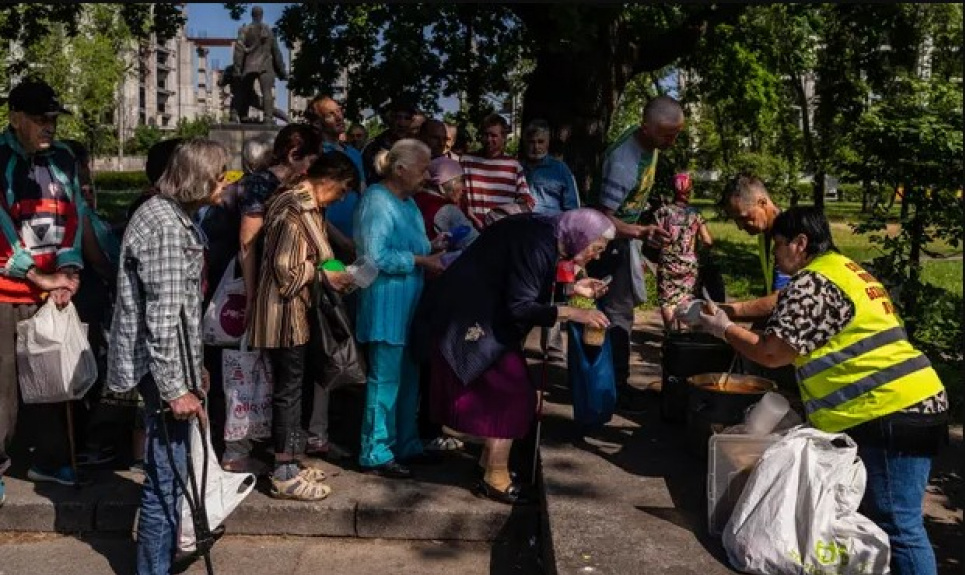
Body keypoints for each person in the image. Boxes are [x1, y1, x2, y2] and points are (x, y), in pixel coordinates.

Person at [691, 206, 948, 575]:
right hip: (911, 403)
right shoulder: (844, 271)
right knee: (884, 519)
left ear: (800, 242)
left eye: (779, 244)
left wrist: (723, 329)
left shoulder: (813, 282)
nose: (776, 253)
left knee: (899, 525)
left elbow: (771, 353)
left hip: (892, 411)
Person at [413, 208, 613, 503]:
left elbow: (525, 284)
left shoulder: (544, 233)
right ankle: (495, 477)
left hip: (480, 313)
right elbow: (520, 305)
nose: (596, 256)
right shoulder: (536, 242)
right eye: (596, 248)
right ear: (581, 236)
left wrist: (571, 289)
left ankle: (488, 464)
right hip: (471, 316)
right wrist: (574, 312)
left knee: (510, 393)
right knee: (513, 396)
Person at [106, 138, 229, 575]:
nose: (224, 185)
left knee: (169, 475)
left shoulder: (174, 216)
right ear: (199, 179)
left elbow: (181, 315)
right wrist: (177, 389)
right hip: (161, 371)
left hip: (173, 365)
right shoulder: (164, 224)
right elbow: (162, 320)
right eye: (220, 176)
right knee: (165, 480)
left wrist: (194, 371)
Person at [248, 153, 359, 499]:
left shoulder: (306, 207)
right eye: (342, 190)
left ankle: (292, 460)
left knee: (298, 386)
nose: (341, 198)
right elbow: (287, 272)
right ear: (329, 180)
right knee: (288, 390)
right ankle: (283, 470)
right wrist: (323, 272)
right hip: (282, 316)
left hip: (298, 314)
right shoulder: (292, 207)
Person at [0, 80, 85, 496]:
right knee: (4, 386)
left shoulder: (65, 158)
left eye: (52, 119)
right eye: (39, 119)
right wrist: (35, 275)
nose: (49, 126)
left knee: (55, 380)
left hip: (53, 290)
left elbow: (77, 215)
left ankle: (50, 460)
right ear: (15, 118)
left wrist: (69, 271)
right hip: (7, 290)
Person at [354, 139, 446, 478]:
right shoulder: (377, 201)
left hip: (411, 303)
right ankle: (376, 450)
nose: (428, 176)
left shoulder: (407, 204)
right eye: (423, 169)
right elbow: (373, 257)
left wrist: (435, 247)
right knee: (385, 380)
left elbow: (413, 245)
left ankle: (405, 443)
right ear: (400, 168)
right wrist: (422, 259)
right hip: (386, 303)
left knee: (410, 379)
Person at [587, 95, 681, 413]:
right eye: (667, 134)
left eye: (677, 133)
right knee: (615, 315)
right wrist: (640, 232)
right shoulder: (623, 163)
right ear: (646, 127)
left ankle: (611, 383)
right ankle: (612, 387)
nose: (673, 140)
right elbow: (602, 217)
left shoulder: (648, 144)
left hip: (621, 239)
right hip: (605, 243)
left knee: (620, 313)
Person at [197, 132, 274, 473]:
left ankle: (217, 445)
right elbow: (247, 246)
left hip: (215, 295)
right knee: (241, 373)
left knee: (219, 373)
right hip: (238, 294)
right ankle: (235, 451)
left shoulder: (223, 194)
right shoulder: (258, 194)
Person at [238, 124, 320, 320]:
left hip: (294, 277)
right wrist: (251, 297)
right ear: (293, 155)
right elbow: (247, 244)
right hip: (266, 279)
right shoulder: (259, 184)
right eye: (312, 161)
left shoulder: (299, 184)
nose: (314, 168)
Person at [304, 95, 365, 258]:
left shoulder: (354, 153)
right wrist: (339, 239)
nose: (339, 117)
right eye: (330, 114)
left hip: (356, 240)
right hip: (324, 242)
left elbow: (362, 193)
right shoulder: (314, 155)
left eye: (339, 111)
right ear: (317, 122)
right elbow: (308, 202)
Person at [654, 172, 712, 330]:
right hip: (689, 264)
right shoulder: (695, 214)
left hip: (667, 263)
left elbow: (654, 239)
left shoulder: (662, 212)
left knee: (667, 301)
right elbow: (708, 240)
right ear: (690, 190)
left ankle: (670, 334)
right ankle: (686, 337)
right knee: (687, 299)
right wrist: (697, 251)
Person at [461, 114, 536, 229]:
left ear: (504, 137)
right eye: (485, 135)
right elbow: (457, 194)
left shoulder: (513, 166)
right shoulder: (467, 161)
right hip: (471, 228)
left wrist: (501, 214)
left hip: (501, 230)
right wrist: (467, 211)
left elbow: (527, 201)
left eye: (493, 135)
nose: (488, 139)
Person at [231, 5, 288, 124]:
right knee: (267, 92)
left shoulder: (245, 30)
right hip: (266, 66)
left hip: (249, 65)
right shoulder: (269, 31)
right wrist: (282, 71)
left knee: (241, 91)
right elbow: (276, 53)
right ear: (261, 15)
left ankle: (233, 115)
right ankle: (268, 118)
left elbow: (239, 50)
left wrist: (237, 69)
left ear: (252, 15)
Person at [413, 157, 479, 246]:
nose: (464, 188)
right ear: (442, 186)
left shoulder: (412, 199)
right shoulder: (449, 211)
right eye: (460, 181)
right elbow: (474, 244)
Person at [361, 99, 417, 185]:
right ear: (390, 119)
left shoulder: (417, 148)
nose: (402, 123)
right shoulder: (373, 147)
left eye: (407, 118)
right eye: (398, 117)